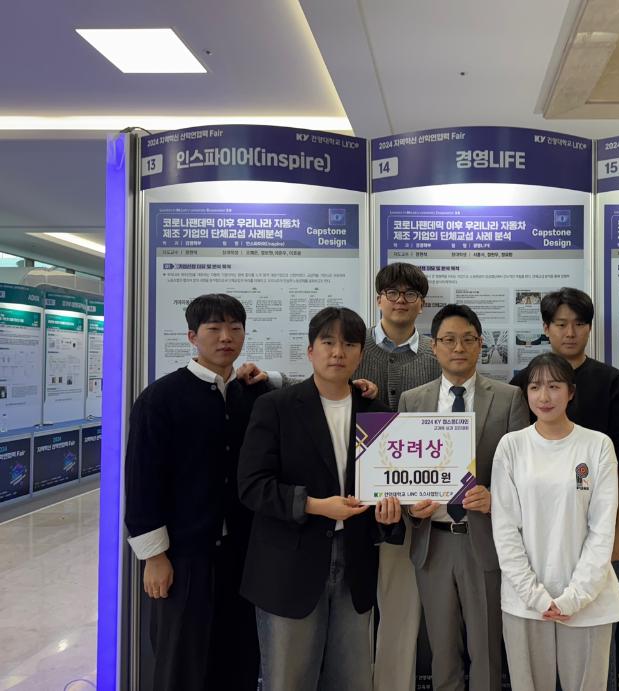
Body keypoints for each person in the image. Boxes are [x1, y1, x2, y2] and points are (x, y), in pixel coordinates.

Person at [237, 307, 402, 690]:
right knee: (288, 680)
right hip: (289, 565)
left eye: (349, 344)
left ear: (361, 354)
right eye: (328, 342)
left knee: (352, 680)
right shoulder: (276, 407)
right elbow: (252, 485)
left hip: (355, 566)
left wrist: (388, 515)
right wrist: (315, 505)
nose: (338, 352)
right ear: (310, 350)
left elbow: (384, 490)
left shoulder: (376, 413)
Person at [124, 293, 269, 691]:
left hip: (242, 556)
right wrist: (154, 557)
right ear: (192, 336)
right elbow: (142, 481)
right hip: (184, 557)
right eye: (214, 328)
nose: (226, 337)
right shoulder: (161, 398)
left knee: (240, 659)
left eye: (235, 328)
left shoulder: (253, 396)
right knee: (181, 662)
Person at [509, 287, 619, 688]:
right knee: (536, 647)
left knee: (594, 641)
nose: (570, 333)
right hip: (537, 539)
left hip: (596, 534)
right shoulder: (522, 383)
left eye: (579, 324)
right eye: (560, 324)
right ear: (545, 328)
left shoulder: (612, 383)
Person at [400, 304, 529, 691]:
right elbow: (399, 470)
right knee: (442, 652)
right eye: (449, 340)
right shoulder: (412, 401)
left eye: (468, 339)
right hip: (433, 542)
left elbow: (525, 475)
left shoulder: (509, 398)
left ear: (480, 344)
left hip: (485, 541)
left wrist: (497, 499)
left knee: (487, 650)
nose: (459, 348)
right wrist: (410, 505)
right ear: (434, 346)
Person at [492, 352, 619, 691]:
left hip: (588, 598)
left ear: (571, 392)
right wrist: (535, 596)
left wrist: (576, 596)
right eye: (535, 387)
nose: (544, 396)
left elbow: (602, 528)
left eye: (554, 386)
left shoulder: (597, 445)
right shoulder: (512, 446)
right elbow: (505, 529)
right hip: (524, 600)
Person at [354, 262, 441, 691]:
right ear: (378, 299)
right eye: (392, 292)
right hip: (351, 499)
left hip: (411, 503)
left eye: (410, 294)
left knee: (401, 610)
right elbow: (316, 385)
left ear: (422, 304)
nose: (400, 300)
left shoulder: (436, 356)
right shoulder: (354, 347)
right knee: (351, 610)